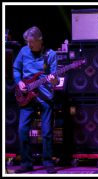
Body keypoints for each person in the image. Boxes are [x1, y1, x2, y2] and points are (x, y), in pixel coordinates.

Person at [13, 26, 58, 174]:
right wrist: (19, 81)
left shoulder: (50, 54)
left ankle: (48, 162)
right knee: (22, 130)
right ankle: (26, 163)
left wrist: (53, 81)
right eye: (27, 42)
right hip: (26, 95)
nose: (28, 45)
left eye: (31, 42)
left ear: (40, 40)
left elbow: (55, 79)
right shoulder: (24, 51)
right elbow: (16, 68)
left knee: (46, 132)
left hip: (45, 96)